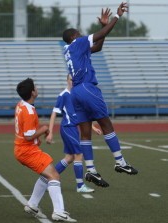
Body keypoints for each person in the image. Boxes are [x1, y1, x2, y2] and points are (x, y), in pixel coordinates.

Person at [62, 2, 138, 187]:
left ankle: (91, 171)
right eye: (79, 34)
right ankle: (120, 162)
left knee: (86, 133)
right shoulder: (78, 43)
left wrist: (104, 26)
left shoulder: (68, 50)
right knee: (106, 123)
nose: (82, 36)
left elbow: (98, 47)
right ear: (74, 36)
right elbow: (100, 36)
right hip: (87, 88)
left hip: (76, 93)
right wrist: (117, 17)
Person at [14, 78, 76, 222]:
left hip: (23, 149)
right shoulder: (29, 111)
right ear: (32, 92)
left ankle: (32, 205)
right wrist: (44, 129)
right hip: (27, 150)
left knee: (48, 173)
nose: (37, 88)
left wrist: (40, 133)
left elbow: (27, 129)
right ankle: (58, 212)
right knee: (54, 175)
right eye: (35, 87)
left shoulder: (21, 104)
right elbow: (28, 136)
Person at [46, 74, 108, 191]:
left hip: (74, 129)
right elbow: (54, 113)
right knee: (79, 154)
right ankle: (80, 186)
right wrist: (50, 132)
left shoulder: (76, 96)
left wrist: (93, 127)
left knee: (69, 158)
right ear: (67, 80)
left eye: (75, 80)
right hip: (67, 128)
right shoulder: (63, 95)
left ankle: (46, 179)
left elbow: (80, 116)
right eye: (71, 80)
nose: (73, 82)